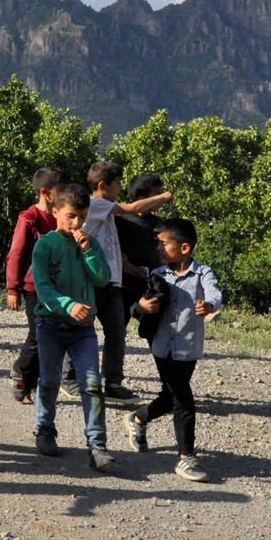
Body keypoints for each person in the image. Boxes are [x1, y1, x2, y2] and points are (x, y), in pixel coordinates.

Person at [60, 161, 172, 407]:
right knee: (80, 329)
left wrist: (130, 268)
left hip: (112, 280)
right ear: (103, 186)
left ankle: (113, 384)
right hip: (93, 280)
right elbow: (133, 208)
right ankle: (69, 378)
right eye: (118, 183)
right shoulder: (97, 204)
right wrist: (163, 196)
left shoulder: (106, 213)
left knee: (116, 333)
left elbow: (113, 250)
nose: (121, 187)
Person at [124, 218, 222, 483]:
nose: (158, 248)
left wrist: (209, 306)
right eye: (157, 243)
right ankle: (185, 457)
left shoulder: (203, 274)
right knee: (184, 401)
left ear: (185, 247)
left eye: (164, 243)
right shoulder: (158, 275)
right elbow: (137, 308)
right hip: (161, 347)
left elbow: (215, 294)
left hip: (188, 348)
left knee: (169, 397)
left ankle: (138, 418)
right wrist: (140, 309)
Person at [31, 183, 116, 471]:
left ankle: (97, 444)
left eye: (82, 216)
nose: (77, 223)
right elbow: (42, 287)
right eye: (70, 215)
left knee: (92, 383)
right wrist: (68, 305)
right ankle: (44, 430)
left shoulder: (90, 242)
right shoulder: (45, 245)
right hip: (50, 324)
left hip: (83, 329)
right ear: (55, 212)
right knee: (50, 380)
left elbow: (103, 278)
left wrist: (89, 252)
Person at [5, 167, 65, 404]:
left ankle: (34, 381)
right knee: (37, 335)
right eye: (59, 192)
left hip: (57, 287)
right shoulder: (30, 218)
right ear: (45, 192)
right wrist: (13, 288)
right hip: (33, 287)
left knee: (52, 335)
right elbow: (16, 254)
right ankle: (20, 371)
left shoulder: (62, 217)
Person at [116, 172, 167, 321]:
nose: (161, 199)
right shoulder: (119, 220)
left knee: (153, 330)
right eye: (157, 195)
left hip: (148, 287)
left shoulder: (158, 223)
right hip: (122, 288)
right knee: (116, 333)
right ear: (142, 199)